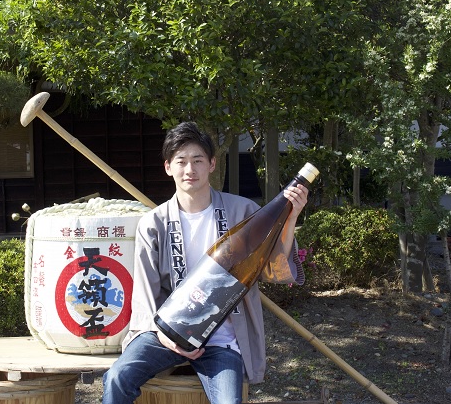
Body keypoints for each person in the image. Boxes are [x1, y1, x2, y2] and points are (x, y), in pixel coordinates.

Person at [102, 121, 309, 404]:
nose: (190, 170)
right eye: (182, 161)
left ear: (212, 164)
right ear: (168, 167)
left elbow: (273, 268)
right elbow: (145, 292)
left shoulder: (243, 211)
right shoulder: (154, 223)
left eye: (198, 160)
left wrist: (292, 215)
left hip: (222, 339)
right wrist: (165, 337)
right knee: (116, 379)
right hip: (165, 332)